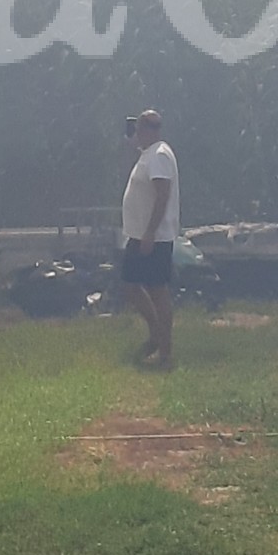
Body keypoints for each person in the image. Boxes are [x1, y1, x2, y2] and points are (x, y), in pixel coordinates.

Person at [118, 108, 179, 372]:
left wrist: (151, 232)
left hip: (153, 236)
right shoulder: (147, 155)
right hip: (138, 234)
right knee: (130, 286)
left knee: (158, 290)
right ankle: (155, 333)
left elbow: (162, 195)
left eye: (141, 129)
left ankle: (164, 351)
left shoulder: (160, 155)